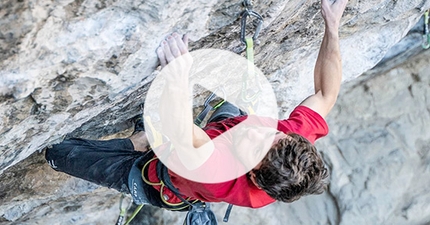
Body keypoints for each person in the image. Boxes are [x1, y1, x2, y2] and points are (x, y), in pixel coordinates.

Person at [45, 0, 347, 211]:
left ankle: (140, 142)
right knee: (235, 108)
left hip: (161, 175)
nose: (258, 130)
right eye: (274, 135)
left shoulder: (218, 172)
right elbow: (325, 94)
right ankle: (144, 135)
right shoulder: (288, 146)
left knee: (58, 153)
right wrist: (332, 27)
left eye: (258, 147)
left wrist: (178, 76)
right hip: (209, 137)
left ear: (253, 175)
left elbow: (182, 132)